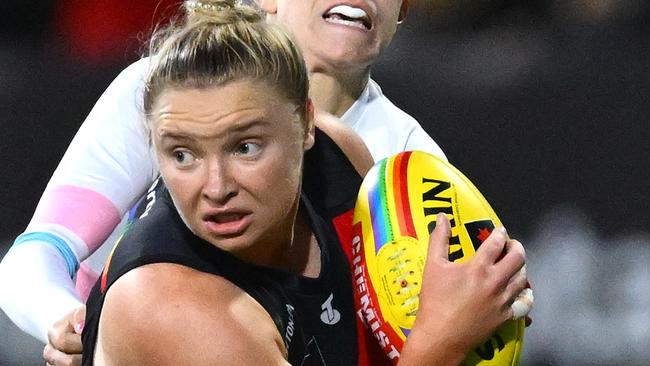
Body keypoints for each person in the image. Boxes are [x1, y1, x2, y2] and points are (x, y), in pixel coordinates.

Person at [78, 2, 528, 364]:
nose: (215, 188)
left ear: (307, 125)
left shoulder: (339, 156)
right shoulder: (169, 308)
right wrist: (441, 340)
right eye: (182, 154)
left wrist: (477, 300)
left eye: (246, 147)